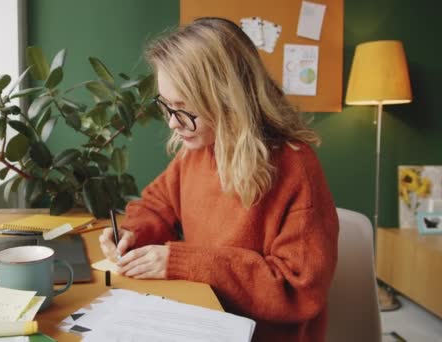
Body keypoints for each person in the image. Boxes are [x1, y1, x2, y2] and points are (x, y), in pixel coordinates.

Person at [99, 17, 339, 341]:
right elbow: (156, 206)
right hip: (203, 318)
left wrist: (184, 262)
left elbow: (296, 289)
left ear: (230, 101)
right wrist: (131, 233)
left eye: (183, 109)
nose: (172, 122)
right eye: (166, 106)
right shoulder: (198, 151)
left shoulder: (296, 168)